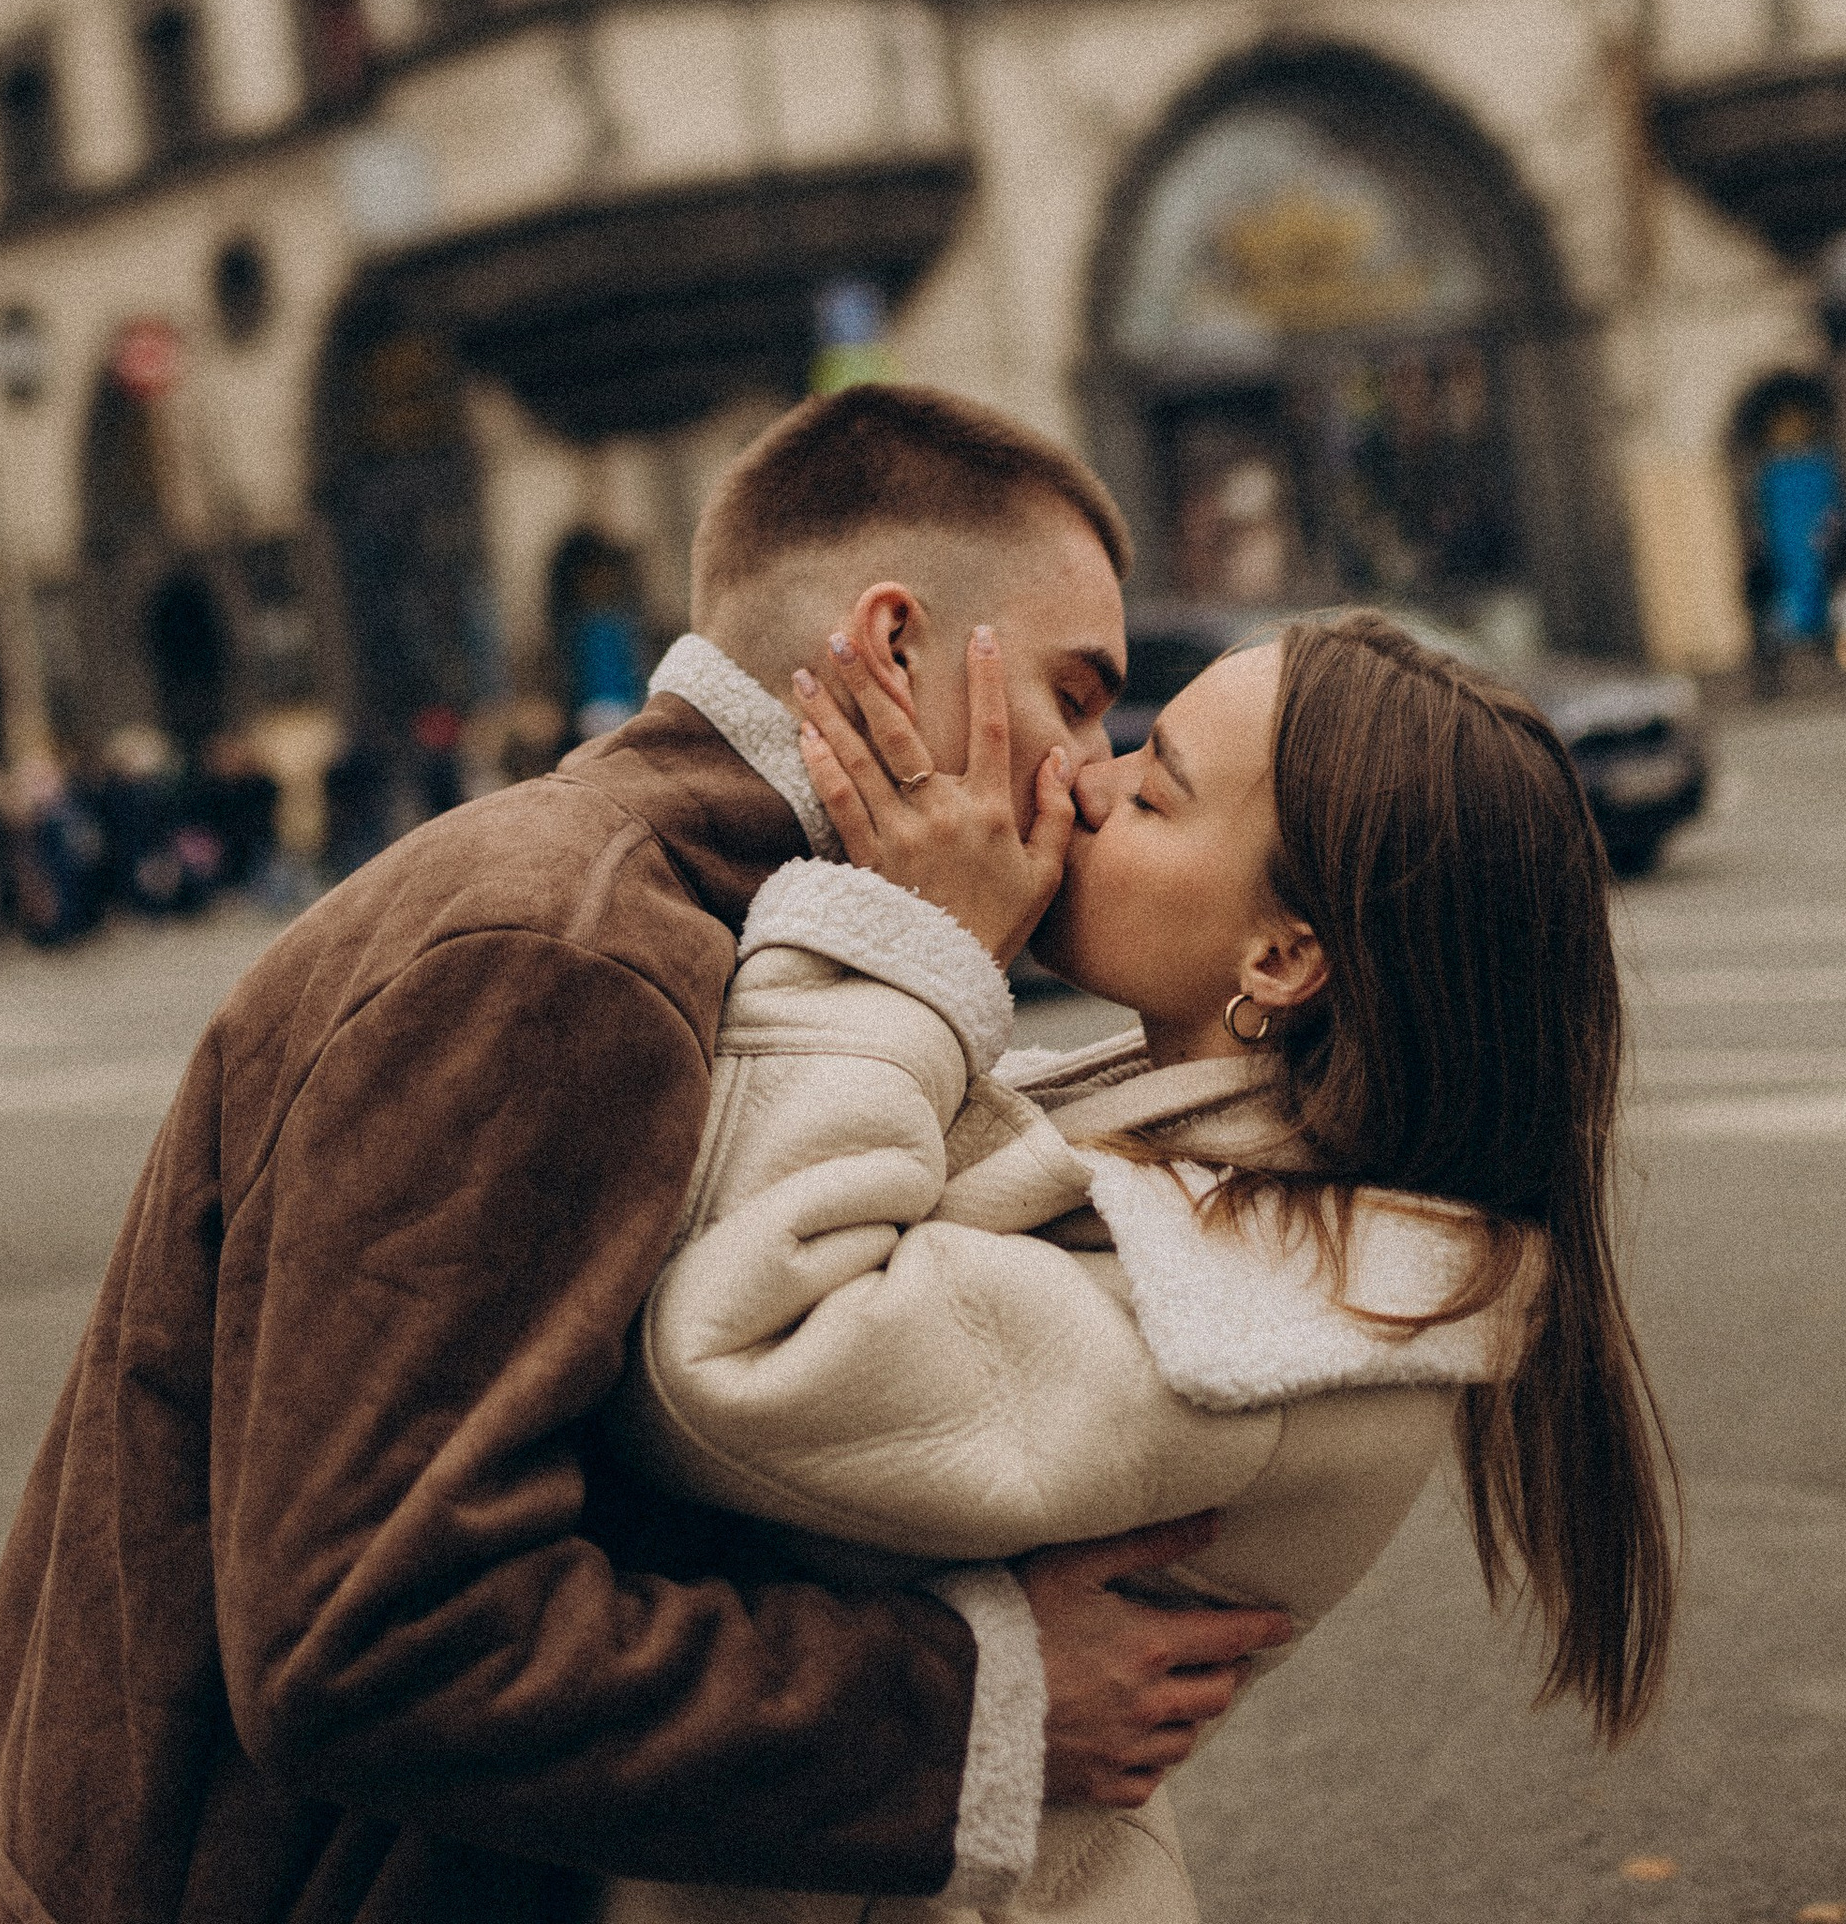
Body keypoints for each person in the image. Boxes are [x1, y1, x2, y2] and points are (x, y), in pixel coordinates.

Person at [0, 387, 1289, 1924]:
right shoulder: (571, 952)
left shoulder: (685, 912)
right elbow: (374, 1636)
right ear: (892, 650)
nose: (1089, 772)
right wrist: (966, 1706)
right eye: (1077, 697)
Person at [603, 601, 1678, 1924]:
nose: (1082, 783)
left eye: (1153, 792)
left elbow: (737, 1354)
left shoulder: (1278, 1324)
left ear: (1283, 959)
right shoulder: (1181, 1161)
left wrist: (895, 943)